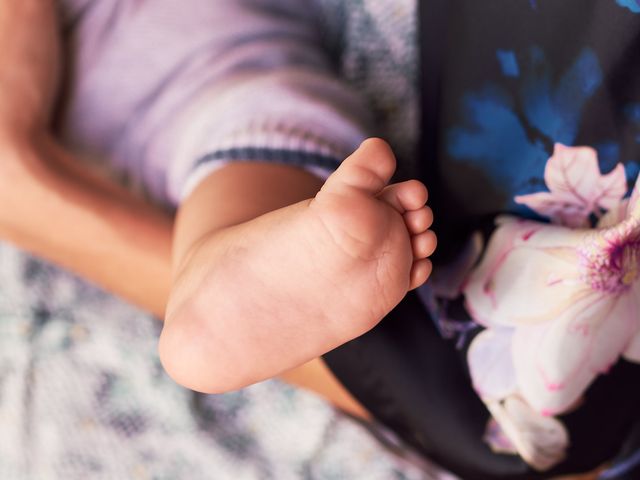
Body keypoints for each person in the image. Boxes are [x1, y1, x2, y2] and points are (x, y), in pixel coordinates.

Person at [2, 1, 639, 479]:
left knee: (238, 127)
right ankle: (225, 286)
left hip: (151, 59)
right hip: (152, 53)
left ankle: (229, 275)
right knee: (242, 125)